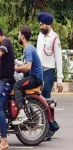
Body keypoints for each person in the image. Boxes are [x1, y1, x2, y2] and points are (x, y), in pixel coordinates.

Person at [36, 12, 63, 141]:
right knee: (40, 99)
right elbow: (37, 54)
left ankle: (48, 129)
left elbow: (59, 59)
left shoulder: (55, 38)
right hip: (39, 71)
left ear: (47, 24)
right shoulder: (40, 36)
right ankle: (53, 125)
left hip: (49, 71)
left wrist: (60, 80)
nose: (40, 26)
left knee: (45, 99)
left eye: (42, 24)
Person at [12, 25, 43, 125]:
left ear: (23, 36)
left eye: (19, 34)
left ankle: (21, 112)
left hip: (35, 78)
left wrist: (17, 68)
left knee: (16, 86)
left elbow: (28, 67)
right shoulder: (27, 49)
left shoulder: (29, 49)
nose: (18, 36)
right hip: (34, 76)